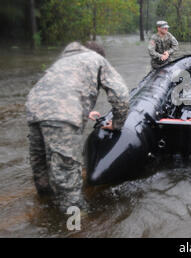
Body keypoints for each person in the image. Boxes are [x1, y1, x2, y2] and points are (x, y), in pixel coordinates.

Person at [25, 41, 129, 212]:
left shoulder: (66, 59)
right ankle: (77, 225)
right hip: (61, 115)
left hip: (35, 109)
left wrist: (80, 110)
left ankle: (45, 210)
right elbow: (121, 94)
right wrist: (117, 123)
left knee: (41, 168)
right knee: (67, 175)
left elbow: (61, 89)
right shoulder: (97, 60)